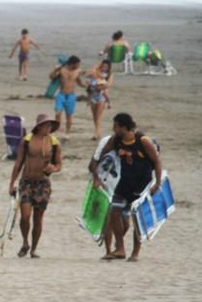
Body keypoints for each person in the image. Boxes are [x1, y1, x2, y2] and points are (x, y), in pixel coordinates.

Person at [91, 114, 162, 262]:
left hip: (142, 185)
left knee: (137, 219)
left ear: (123, 127)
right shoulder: (116, 140)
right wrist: (97, 176)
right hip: (124, 184)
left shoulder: (143, 141)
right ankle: (120, 249)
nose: (113, 128)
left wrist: (157, 183)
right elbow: (100, 156)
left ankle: (135, 252)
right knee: (114, 212)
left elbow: (157, 162)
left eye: (115, 126)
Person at [9, 113, 62, 258]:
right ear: (39, 126)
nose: (48, 128)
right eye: (46, 125)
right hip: (26, 182)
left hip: (43, 184)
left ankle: (33, 249)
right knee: (25, 216)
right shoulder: (27, 140)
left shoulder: (54, 142)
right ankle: (25, 242)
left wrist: (53, 168)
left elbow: (59, 164)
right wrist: (12, 183)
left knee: (38, 218)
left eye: (50, 125)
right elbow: (18, 163)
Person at [51, 56, 85, 138]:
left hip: (71, 96)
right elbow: (51, 76)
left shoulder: (77, 72)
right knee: (58, 113)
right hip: (61, 94)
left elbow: (79, 83)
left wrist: (89, 86)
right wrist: (55, 70)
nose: (79, 66)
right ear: (72, 63)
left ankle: (67, 132)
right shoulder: (62, 70)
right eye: (77, 64)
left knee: (69, 115)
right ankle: (57, 129)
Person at [86, 60, 113, 140]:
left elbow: (108, 85)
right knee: (94, 116)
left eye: (106, 67)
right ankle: (98, 132)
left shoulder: (109, 75)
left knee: (98, 116)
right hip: (93, 96)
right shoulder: (95, 72)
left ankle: (96, 133)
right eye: (103, 66)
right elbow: (88, 74)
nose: (104, 68)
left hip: (101, 96)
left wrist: (100, 85)